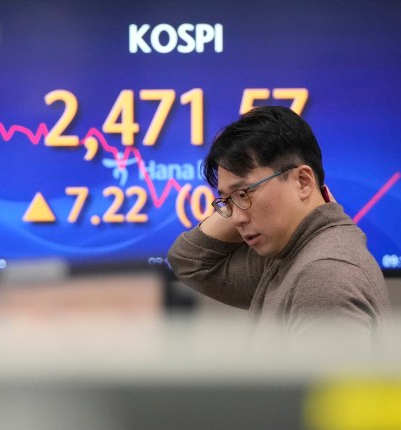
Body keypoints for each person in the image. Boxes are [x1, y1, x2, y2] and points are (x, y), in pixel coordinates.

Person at [167, 105, 392, 353]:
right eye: (227, 202)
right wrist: (237, 197)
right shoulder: (288, 252)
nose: (237, 219)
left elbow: (320, 392)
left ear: (303, 181)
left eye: (244, 193)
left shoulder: (324, 274)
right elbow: (190, 261)